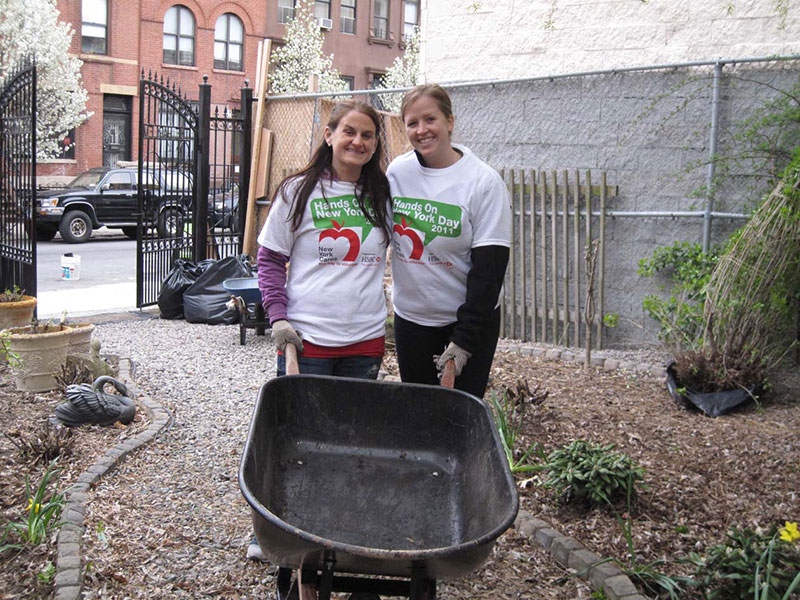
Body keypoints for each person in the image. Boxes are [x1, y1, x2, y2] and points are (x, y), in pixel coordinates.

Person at [387, 84, 511, 398]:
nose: (421, 130)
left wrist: (465, 341)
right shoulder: (398, 173)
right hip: (412, 320)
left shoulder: (483, 182)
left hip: (466, 322)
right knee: (419, 409)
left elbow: (490, 271)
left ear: (450, 121)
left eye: (430, 119)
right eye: (412, 123)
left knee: (459, 415)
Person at [256, 100, 392, 378]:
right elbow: (270, 259)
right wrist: (279, 318)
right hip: (307, 339)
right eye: (349, 132)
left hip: (365, 341)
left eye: (367, 135)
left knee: (354, 422)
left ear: (376, 143)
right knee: (302, 422)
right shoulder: (297, 191)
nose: (358, 142)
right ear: (329, 136)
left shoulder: (382, 195)